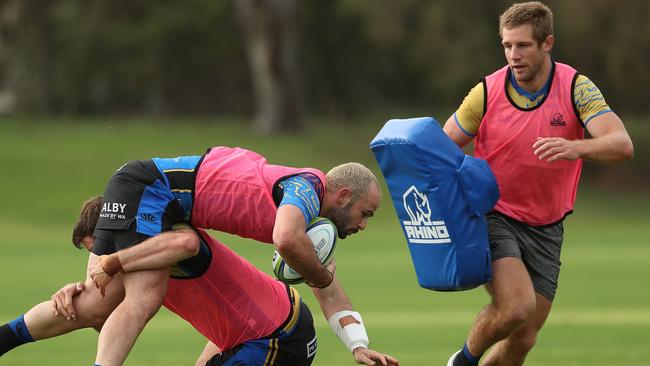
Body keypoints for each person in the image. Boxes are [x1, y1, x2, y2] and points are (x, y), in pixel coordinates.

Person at [442, 2, 633, 365]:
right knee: (515, 306)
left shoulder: (576, 87)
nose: (513, 55)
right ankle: (461, 362)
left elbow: (622, 144)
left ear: (548, 43)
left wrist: (576, 147)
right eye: (507, 45)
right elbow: (441, 149)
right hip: (495, 215)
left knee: (524, 338)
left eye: (523, 45)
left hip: (548, 227)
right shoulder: (486, 92)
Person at [0, 196, 399, 366]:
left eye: (97, 248)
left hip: (276, 336)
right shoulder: (137, 256)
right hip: (254, 332)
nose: (96, 260)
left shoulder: (164, 243)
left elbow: (186, 242)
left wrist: (110, 265)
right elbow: (91, 312)